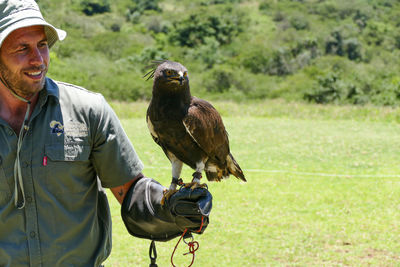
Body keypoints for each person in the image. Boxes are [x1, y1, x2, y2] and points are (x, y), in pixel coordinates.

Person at [0, 1, 211, 266]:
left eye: (42, 45)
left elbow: (131, 193)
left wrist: (169, 208)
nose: (38, 60)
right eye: (22, 48)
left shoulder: (87, 111)